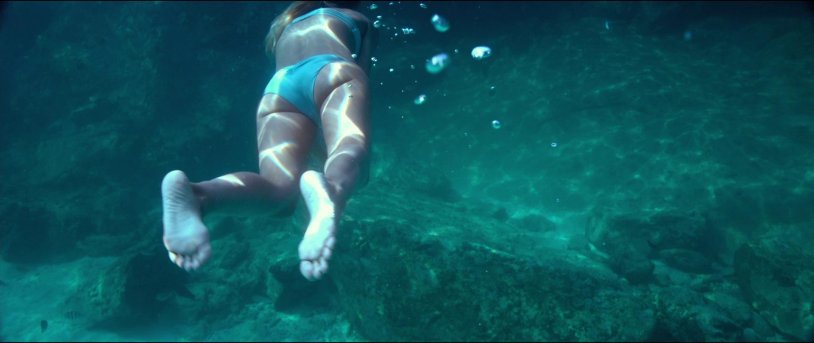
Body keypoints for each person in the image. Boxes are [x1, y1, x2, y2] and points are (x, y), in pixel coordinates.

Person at [160, 0, 377, 281]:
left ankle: (200, 196)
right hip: (333, 70)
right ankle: (331, 191)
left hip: (279, 89)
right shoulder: (358, 18)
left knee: (278, 190)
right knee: (350, 148)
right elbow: (363, 71)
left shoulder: (286, 24)